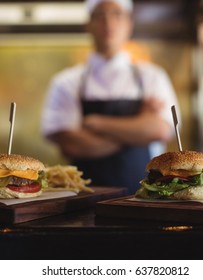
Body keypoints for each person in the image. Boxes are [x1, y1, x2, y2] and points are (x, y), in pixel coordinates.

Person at [41, 0, 180, 194]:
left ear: (129, 23)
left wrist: (97, 123)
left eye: (117, 14)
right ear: (88, 24)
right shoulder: (66, 82)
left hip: (145, 199)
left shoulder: (152, 76)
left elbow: (160, 130)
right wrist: (139, 128)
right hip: (83, 200)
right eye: (100, 15)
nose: (108, 22)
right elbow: (72, 144)